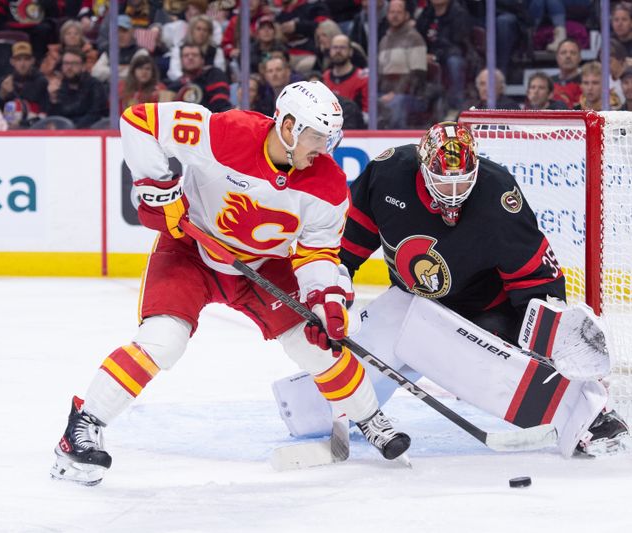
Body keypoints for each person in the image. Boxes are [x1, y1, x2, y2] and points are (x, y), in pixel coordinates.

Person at [50, 81, 410, 486]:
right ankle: (82, 427)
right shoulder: (228, 132)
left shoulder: (326, 183)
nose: (324, 148)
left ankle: (370, 417)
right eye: (317, 137)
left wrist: (325, 298)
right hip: (190, 249)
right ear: (289, 127)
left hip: (263, 265)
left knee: (312, 343)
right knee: (163, 340)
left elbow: (317, 254)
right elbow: (139, 121)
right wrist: (157, 189)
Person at [271, 122, 632, 458]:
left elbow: (535, 278)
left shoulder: (497, 194)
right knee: (308, 411)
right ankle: (307, 408)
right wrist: (330, 297)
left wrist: (548, 340)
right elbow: (344, 247)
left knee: (512, 370)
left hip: (486, 310)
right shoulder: (387, 175)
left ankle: (590, 416)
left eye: (464, 182)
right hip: (409, 304)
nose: (455, 194)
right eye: (445, 183)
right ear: (422, 168)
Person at [378, 0, 428, 129]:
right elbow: (379, 72)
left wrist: (395, 93)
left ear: (406, 15)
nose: (395, 15)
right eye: (392, 12)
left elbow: (418, 74)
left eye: (399, 12)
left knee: (396, 103)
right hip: (385, 93)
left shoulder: (414, 38)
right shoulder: (384, 40)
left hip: (411, 95)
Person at [46, 48, 108, 129]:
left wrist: (73, 130)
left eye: (74, 63)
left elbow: (95, 115)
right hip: (62, 134)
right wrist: (53, 99)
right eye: (66, 63)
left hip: (89, 133)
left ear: (83, 66)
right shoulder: (57, 86)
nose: (69, 67)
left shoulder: (94, 85)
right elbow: (52, 119)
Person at [0, 41, 49, 128]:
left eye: (26, 59)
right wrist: (2, 95)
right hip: (9, 130)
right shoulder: (4, 81)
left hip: (34, 128)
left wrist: (12, 92)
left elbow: (43, 111)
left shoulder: (41, 81)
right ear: (12, 61)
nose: (22, 64)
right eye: (18, 59)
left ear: (32, 61)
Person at [167, 43, 232, 113]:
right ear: (181, 61)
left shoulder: (213, 75)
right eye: (186, 55)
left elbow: (220, 103)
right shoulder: (174, 86)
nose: (190, 57)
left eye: (195, 55)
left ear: (202, 60)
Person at [322, 35, 369, 115]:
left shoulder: (362, 79)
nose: (338, 51)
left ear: (350, 51)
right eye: (335, 47)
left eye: (342, 47)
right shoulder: (325, 77)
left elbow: (367, 113)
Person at [550, 38, 583, 108]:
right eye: (563, 53)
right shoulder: (549, 83)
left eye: (573, 53)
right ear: (557, 57)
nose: (568, 56)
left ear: (580, 57)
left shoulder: (587, 82)